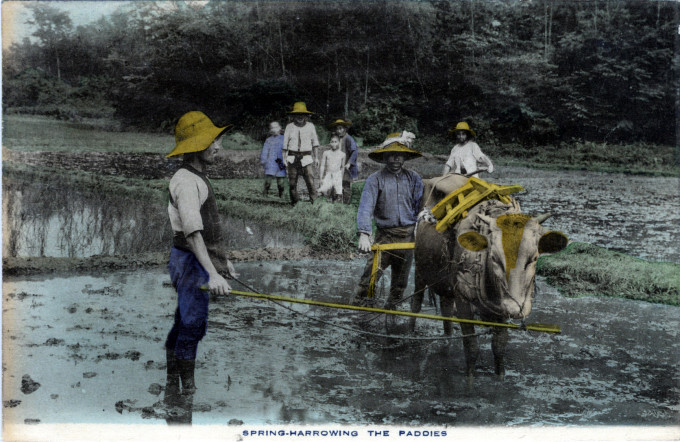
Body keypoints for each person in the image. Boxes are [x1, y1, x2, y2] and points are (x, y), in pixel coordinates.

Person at [164, 111, 235, 423]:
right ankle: (186, 388)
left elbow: (208, 232)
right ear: (194, 147)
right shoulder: (186, 182)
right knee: (192, 324)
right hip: (190, 261)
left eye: (217, 139)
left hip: (196, 259)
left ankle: (173, 380)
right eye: (211, 141)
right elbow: (193, 233)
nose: (218, 146)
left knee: (184, 320)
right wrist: (213, 273)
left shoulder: (197, 176)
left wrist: (223, 262)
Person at [351, 131, 423, 311]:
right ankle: (359, 311)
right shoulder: (375, 180)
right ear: (384, 157)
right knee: (370, 278)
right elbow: (366, 207)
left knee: (400, 283)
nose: (395, 159)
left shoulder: (413, 178)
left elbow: (421, 206)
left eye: (399, 155)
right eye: (391, 155)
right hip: (385, 236)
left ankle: (392, 312)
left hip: (408, 236)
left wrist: (423, 224)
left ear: (405, 156)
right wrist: (364, 234)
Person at [283, 102, 320, 205]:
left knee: (310, 180)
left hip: (306, 157)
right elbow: (285, 145)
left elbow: (315, 143)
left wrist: (316, 158)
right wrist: (284, 158)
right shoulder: (289, 127)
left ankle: (314, 201)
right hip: (292, 156)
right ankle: (295, 202)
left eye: (302, 114)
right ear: (293, 116)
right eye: (297, 114)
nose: (300, 116)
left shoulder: (310, 126)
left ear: (306, 116)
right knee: (292, 181)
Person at [328, 119, 359, 204]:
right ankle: (335, 201)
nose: (339, 131)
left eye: (341, 128)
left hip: (346, 165)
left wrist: (349, 163)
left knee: (345, 184)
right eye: (337, 129)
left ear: (345, 129)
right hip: (337, 165)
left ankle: (346, 203)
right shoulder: (336, 139)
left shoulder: (348, 138)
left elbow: (355, 151)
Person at [260, 121, 286, 198]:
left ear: (280, 128)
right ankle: (265, 193)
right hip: (271, 162)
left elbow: (287, 150)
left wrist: (287, 160)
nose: (274, 129)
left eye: (276, 127)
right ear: (270, 130)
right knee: (268, 180)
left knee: (281, 180)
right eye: (272, 128)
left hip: (281, 162)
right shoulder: (268, 140)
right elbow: (265, 151)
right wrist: (263, 160)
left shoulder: (284, 138)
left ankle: (281, 195)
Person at [317, 135, 346, 202]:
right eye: (332, 142)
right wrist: (321, 178)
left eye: (335, 142)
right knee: (324, 190)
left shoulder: (342, 154)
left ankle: (337, 201)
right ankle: (326, 201)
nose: (333, 144)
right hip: (328, 173)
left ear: (338, 142)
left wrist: (341, 178)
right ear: (330, 142)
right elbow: (322, 166)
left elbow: (342, 167)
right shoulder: (326, 153)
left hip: (337, 174)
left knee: (338, 191)